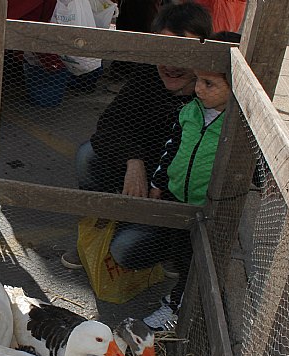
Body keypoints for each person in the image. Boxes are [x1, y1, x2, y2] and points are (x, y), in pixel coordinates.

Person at [62, 1, 213, 267]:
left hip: (174, 202)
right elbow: (111, 123)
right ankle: (96, 233)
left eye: (183, 54)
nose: (170, 64)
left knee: (124, 252)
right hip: (141, 182)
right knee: (88, 155)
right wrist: (134, 161)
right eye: (163, 51)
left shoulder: (212, 97)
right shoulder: (148, 74)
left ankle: (171, 252)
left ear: (203, 52)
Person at [133, 30, 238, 329]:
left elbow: (252, 162)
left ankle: (178, 308)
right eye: (198, 80)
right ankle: (183, 295)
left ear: (236, 86)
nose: (199, 89)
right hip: (177, 199)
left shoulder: (237, 126)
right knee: (181, 255)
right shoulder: (189, 113)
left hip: (208, 208)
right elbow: (172, 148)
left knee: (196, 261)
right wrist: (158, 182)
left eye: (209, 83)